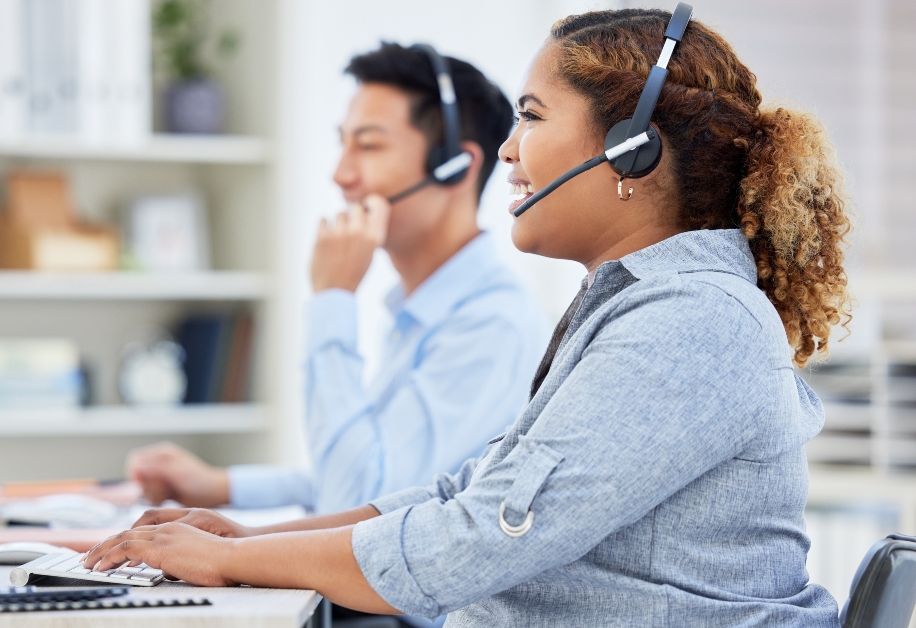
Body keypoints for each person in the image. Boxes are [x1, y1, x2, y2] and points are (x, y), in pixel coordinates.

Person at [84, 9, 852, 626]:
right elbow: (465, 493)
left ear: (630, 151)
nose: (510, 151)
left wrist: (234, 559)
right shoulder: (638, 306)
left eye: (532, 117)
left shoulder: (693, 323)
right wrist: (252, 539)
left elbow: (475, 540)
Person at [126, 43, 548, 515]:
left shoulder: (488, 326)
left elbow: (360, 504)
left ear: (456, 166)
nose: (340, 175)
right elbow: (361, 470)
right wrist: (223, 486)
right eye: (342, 143)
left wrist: (333, 297)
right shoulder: (427, 309)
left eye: (367, 146)